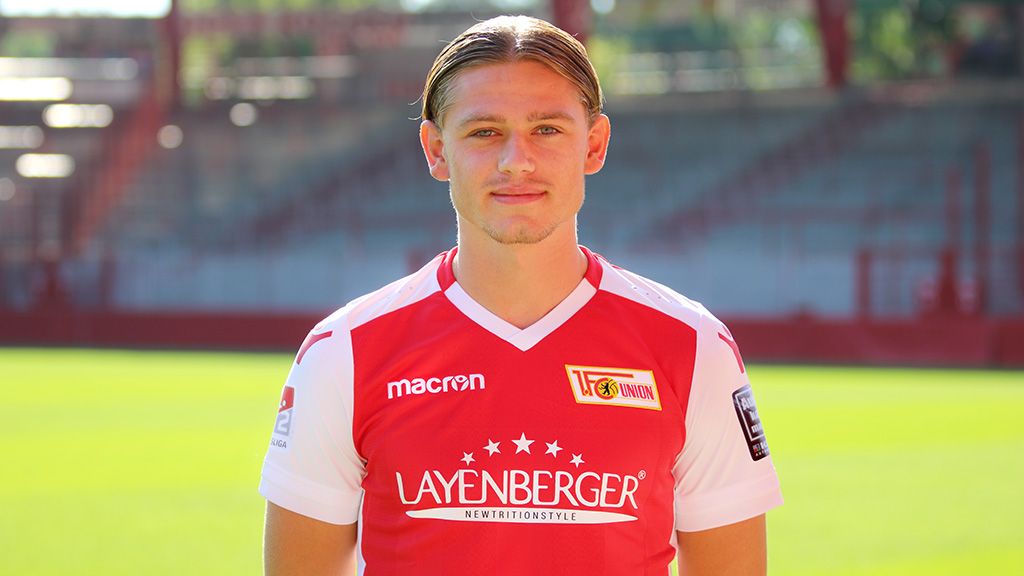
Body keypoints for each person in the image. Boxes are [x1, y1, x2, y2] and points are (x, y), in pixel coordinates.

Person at [260, 15, 782, 575]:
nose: (517, 161)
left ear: (595, 145)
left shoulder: (693, 345)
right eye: (484, 131)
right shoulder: (345, 350)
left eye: (548, 129)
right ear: (436, 150)